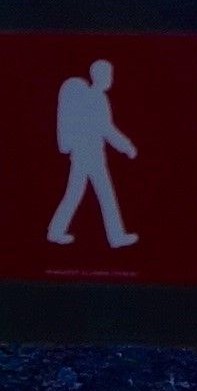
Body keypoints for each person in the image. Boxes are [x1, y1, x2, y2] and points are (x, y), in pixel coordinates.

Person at [48, 58, 141, 251]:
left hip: (86, 154)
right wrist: (127, 146)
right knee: (104, 194)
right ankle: (115, 237)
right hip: (89, 155)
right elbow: (107, 129)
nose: (110, 78)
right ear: (99, 76)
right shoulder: (95, 98)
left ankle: (56, 232)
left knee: (76, 193)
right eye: (108, 74)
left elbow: (104, 129)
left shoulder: (92, 97)